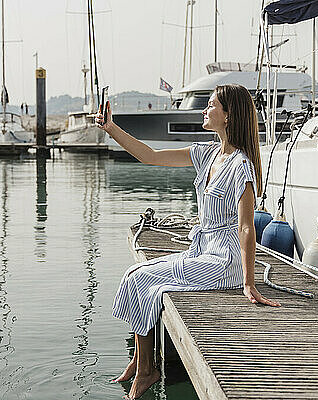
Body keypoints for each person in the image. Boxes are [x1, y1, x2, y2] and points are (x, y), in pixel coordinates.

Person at [95, 84, 280, 400]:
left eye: (211, 105)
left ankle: (147, 370)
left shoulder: (241, 165)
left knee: (146, 281)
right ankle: (141, 360)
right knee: (134, 275)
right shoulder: (207, 154)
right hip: (203, 250)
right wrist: (112, 129)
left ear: (229, 114)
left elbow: (247, 228)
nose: (205, 110)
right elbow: (150, 156)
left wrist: (249, 283)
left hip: (224, 262)